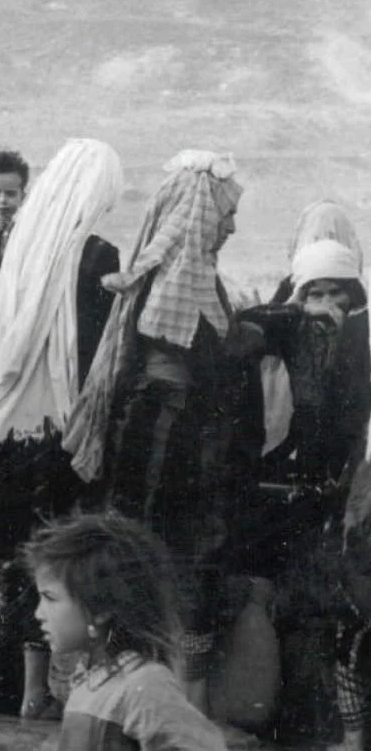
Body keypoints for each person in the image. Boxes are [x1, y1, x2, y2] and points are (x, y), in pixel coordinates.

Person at [65, 150, 246, 720]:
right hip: (168, 438)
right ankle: (140, 695)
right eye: (226, 212)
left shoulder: (188, 282)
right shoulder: (179, 292)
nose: (233, 225)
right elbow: (209, 355)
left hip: (173, 433)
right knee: (157, 559)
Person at [0, 138, 123, 718]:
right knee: (41, 558)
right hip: (52, 431)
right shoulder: (99, 257)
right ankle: (34, 696)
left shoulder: (8, 243)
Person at [26, 513, 250, 751]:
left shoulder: (144, 686)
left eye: (50, 599)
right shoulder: (89, 680)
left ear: (100, 610)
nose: (38, 612)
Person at [233, 236, 370, 751]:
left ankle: (305, 723)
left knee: (311, 612)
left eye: (339, 296)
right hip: (273, 493)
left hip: (320, 500)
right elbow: (241, 332)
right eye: (319, 292)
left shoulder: (355, 348)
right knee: (269, 606)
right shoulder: (282, 329)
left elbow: (351, 426)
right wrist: (293, 310)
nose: (329, 306)